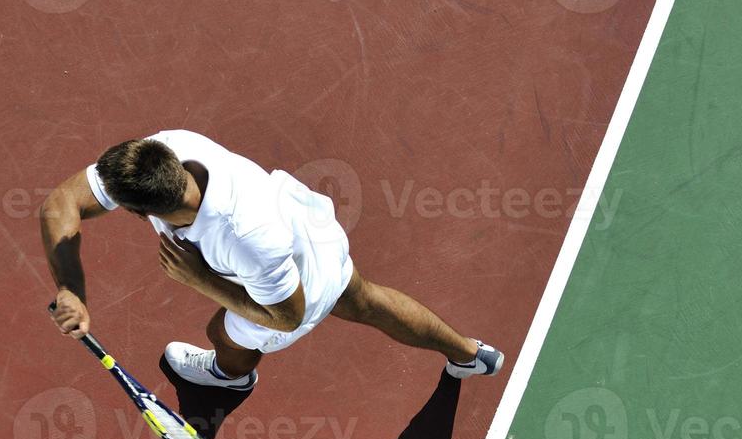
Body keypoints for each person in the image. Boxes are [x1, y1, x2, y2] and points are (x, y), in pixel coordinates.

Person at [40, 130, 504, 391]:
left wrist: (201, 280)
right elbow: (61, 202)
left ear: (141, 212)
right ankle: (469, 354)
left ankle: (229, 377)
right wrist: (71, 291)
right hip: (310, 231)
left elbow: (286, 317)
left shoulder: (243, 239)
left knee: (222, 332)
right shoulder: (168, 149)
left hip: (285, 287)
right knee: (365, 301)